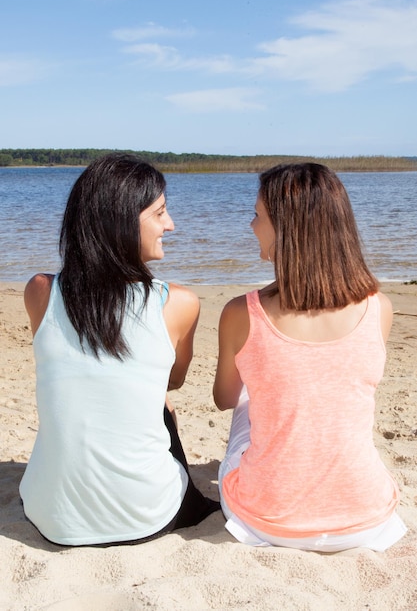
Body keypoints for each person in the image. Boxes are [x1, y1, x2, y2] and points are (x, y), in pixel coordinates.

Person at [20, 152, 219, 546]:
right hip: (147, 518)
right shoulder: (177, 303)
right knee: (161, 403)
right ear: (123, 220)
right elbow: (172, 382)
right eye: (160, 213)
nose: (171, 225)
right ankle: (190, 503)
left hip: (49, 515)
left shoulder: (40, 290)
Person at [213, 162, 407, 552]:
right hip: (365, 520)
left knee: (247, 403)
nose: (251, 226)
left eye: (258, 216)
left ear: (287, 228)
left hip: (268, 522)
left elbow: (224, 399)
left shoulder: (241, 313)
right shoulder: (379, 308)